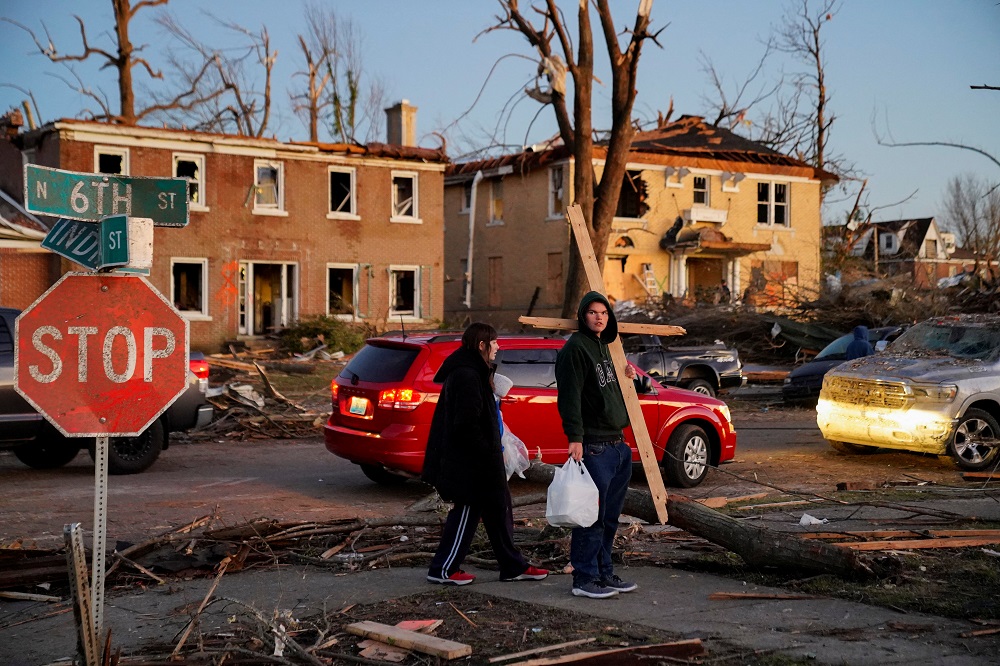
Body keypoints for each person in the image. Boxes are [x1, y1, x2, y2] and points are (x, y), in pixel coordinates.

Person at [422, 322, 549, 586]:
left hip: (484, 459)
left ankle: (513, 566)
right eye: (495, 342)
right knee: (468, 510)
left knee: (499, 509)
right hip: (470, 463)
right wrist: (488, 454)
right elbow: (466, 425)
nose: (498, 347)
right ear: (482, 345)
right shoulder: (467, 375)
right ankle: (443, 569)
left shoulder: (475, 371)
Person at [555, 292, 638, 599]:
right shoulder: (576, 349)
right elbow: (570, 396)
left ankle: (604, 572)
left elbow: (613, 390)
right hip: (594, 447)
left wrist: (630, 376)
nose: (599, 317)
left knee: (610, 516)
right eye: (592, 312)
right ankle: (584, 578)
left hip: (618, 444)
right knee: (590, 514)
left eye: (603, 312)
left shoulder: (606, 347)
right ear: (582, 315)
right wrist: (575, 438)